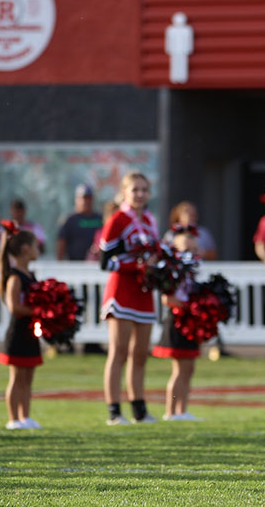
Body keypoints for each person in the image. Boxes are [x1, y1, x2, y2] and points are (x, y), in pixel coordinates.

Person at [100, 172, 160, 425]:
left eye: (144, 190)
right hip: (122, 291)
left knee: (140, 354)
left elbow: (155, 252)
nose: (140, 194)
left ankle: (139, 409)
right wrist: (137, 268)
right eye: (135, 189)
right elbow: (106, 262)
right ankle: (114, 410)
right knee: (119, 352)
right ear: (124, 192)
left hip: (143, 293)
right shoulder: (117, 219)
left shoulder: (149, 220)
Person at [152, 228, 202, 421]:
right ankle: (170, 411)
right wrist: (187, 306)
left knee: (189, 368)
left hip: (190, 320)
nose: (190, 251)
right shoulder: (171, 269)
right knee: (179, 369)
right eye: (185, 248)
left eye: (193, 247)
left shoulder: (191, 269)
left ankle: (183, 409)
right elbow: (167, 299)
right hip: (178, 320)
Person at [0, 226, 43, 429]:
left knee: (28, 378)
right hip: (18, 333)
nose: (37, 249)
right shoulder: (15, 277)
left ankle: (26, 416)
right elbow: (14, 306)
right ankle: (13, 418)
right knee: (16, 378)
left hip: (31, 332)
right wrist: (37, 311)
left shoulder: (30, 274)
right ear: (25, 249)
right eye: (35, 246)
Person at [56, 184, 102, 261]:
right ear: (76, 199)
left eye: (89, 198)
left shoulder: (100, 218)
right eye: (83, 198)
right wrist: (60, 264)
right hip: (75, 266)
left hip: (96, 266)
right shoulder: (69, 220)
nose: (86, 201)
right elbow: (61, 243)